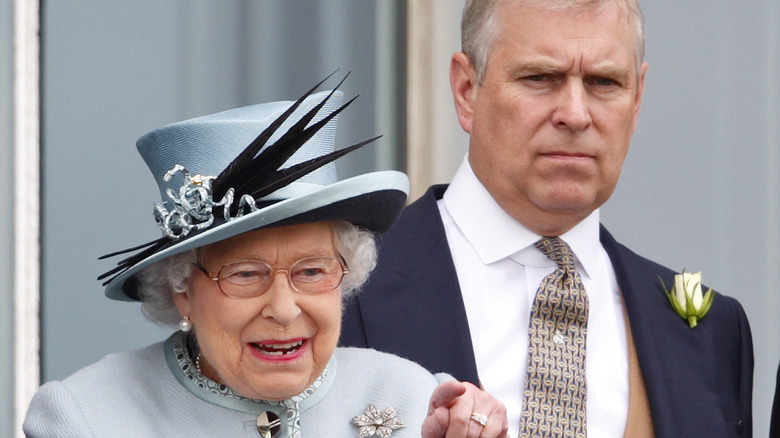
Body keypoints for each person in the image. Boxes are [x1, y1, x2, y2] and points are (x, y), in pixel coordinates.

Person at [340, 1, 753, 437]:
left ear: (637, 100)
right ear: (466, 90)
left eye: (604, 82)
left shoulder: (714, 336)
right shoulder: (334, 291)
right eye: (539, 78)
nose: (575, 114)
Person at [23, 81, 509, 437]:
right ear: (181, 288)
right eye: (246, 274)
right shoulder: (85, 417)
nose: (283, 308)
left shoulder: (414, 397)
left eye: (312, 271)